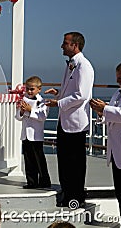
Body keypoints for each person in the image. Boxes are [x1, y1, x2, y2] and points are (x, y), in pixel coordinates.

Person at [44, 32, 94, 208]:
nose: (61, 46)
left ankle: (76, 196)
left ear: (75, 45)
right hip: (65, 121)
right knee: (64, 160)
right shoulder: (72, 65)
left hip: (76, 123)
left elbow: (82, 95)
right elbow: (71, 91)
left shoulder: (84, 66)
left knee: (75, 162)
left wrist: (58, 103)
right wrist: (59, 93)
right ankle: (67, 193)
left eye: (65, 43)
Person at [90, 60, 121, 228]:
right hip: (116, 152)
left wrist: (106, 109)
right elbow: (112, 115)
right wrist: (101, 112)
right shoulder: (118, 94)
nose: (118, 81)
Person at [15, 76, 51, 189]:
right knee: (28, 160)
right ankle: (32, 181)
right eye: (28, 89)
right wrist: (21, 111)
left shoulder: (42, 102)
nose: (29, 91)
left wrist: (30, 111)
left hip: (36, 136)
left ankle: (44, 181)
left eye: (32, 89)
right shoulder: (24, 100)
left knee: (39, 160)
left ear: (39, 89)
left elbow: (42, 116)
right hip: (25, 134)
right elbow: (18, 117)